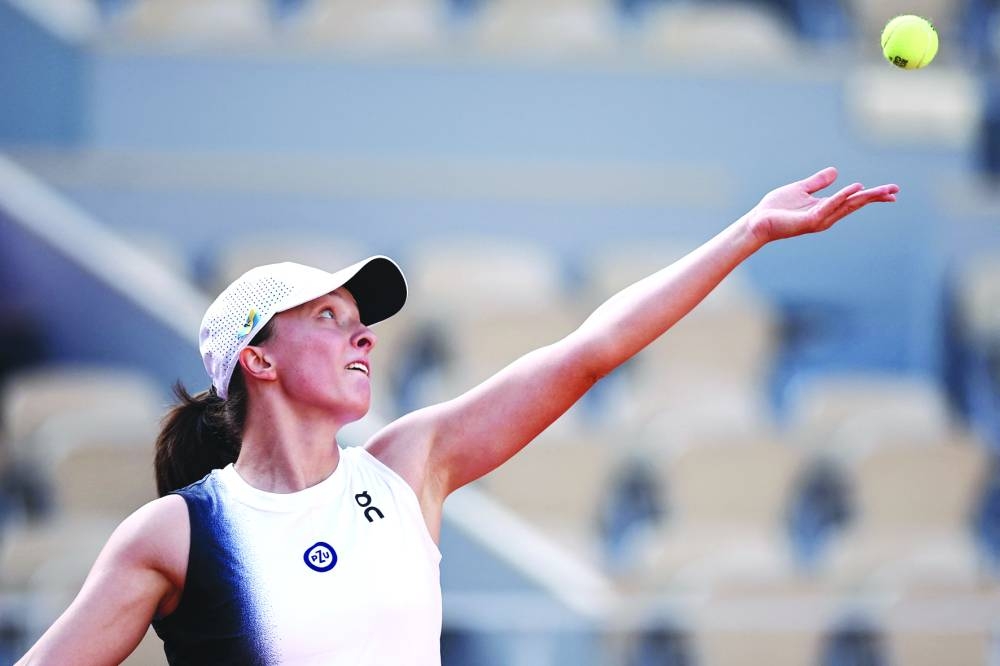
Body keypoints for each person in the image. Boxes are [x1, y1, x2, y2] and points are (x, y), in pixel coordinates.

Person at [16, 167, 898, 665]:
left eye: (363, 325)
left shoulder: (411, 467)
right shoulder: (175, 533)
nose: (361, 338)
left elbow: (589, 350)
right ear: (258, 357)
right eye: (328, 318)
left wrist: (747, 232)